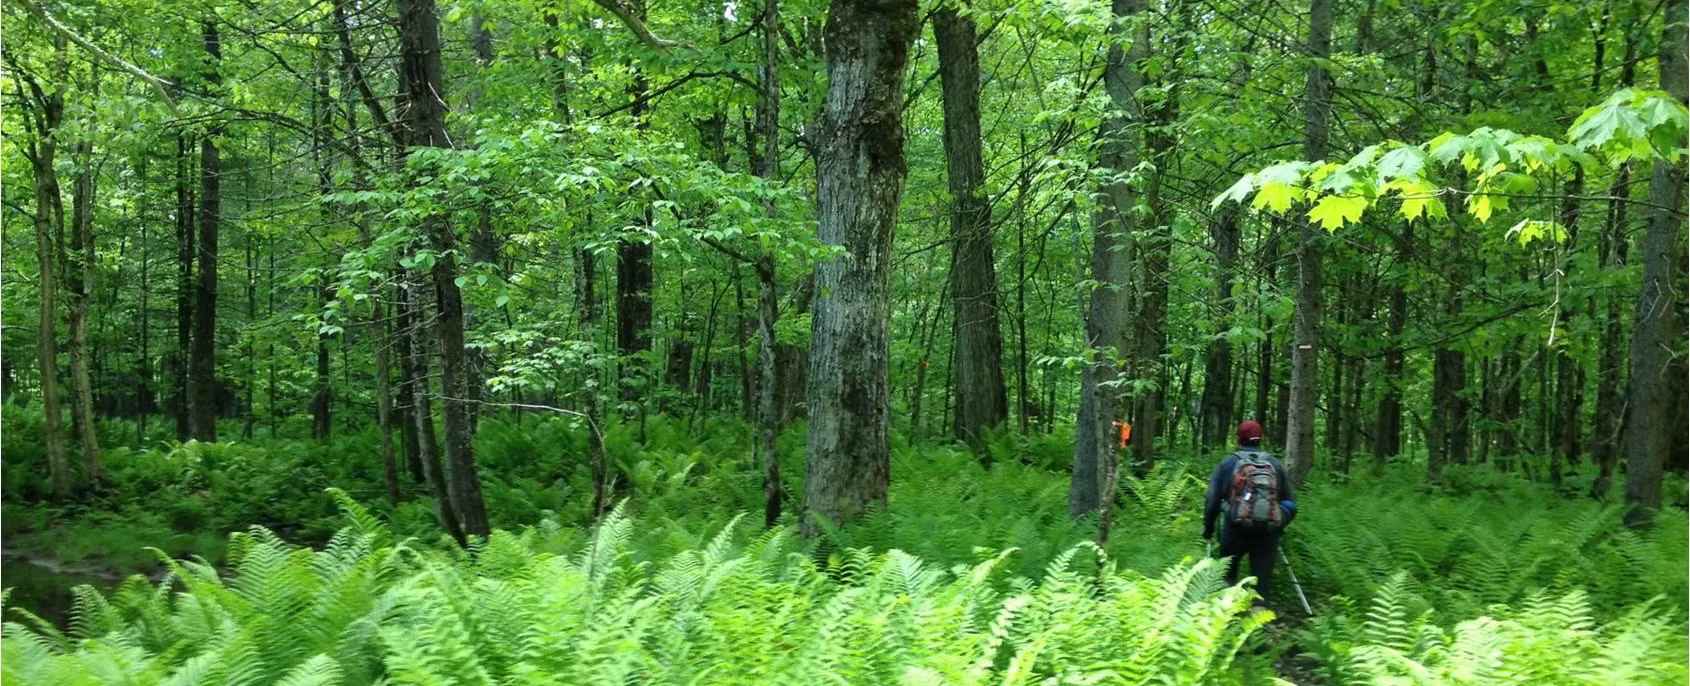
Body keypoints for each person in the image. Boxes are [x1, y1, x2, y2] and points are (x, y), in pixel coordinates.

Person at [1202, 420, 1296, 605]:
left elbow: (1211, 501)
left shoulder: (1228, 464)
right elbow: (1290, 504)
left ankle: (1225, 622)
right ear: (1261, 439)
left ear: (1238, 439)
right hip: (1267, 535)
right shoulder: (1274, 464)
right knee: (1260, 588)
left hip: (1234, 530)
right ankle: (1257, 627)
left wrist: (1209, 529)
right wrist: (1278, 523)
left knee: (1227, 579)